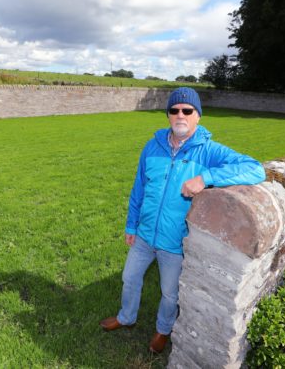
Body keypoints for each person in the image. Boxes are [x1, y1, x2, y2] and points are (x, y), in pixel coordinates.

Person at [99, 87, 266, 353]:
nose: (180, 115)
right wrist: (131, 225)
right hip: (144, 235)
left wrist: (205, 178)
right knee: (129, 278)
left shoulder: (208, 151)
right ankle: (126, 317)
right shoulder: (152, 147)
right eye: (174, 110)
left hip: (175, 241)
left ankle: (163, 330)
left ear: (198, 116)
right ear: (168, 115)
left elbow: (255, 168)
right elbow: (138, 188)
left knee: (169, 293)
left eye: (187, 110)